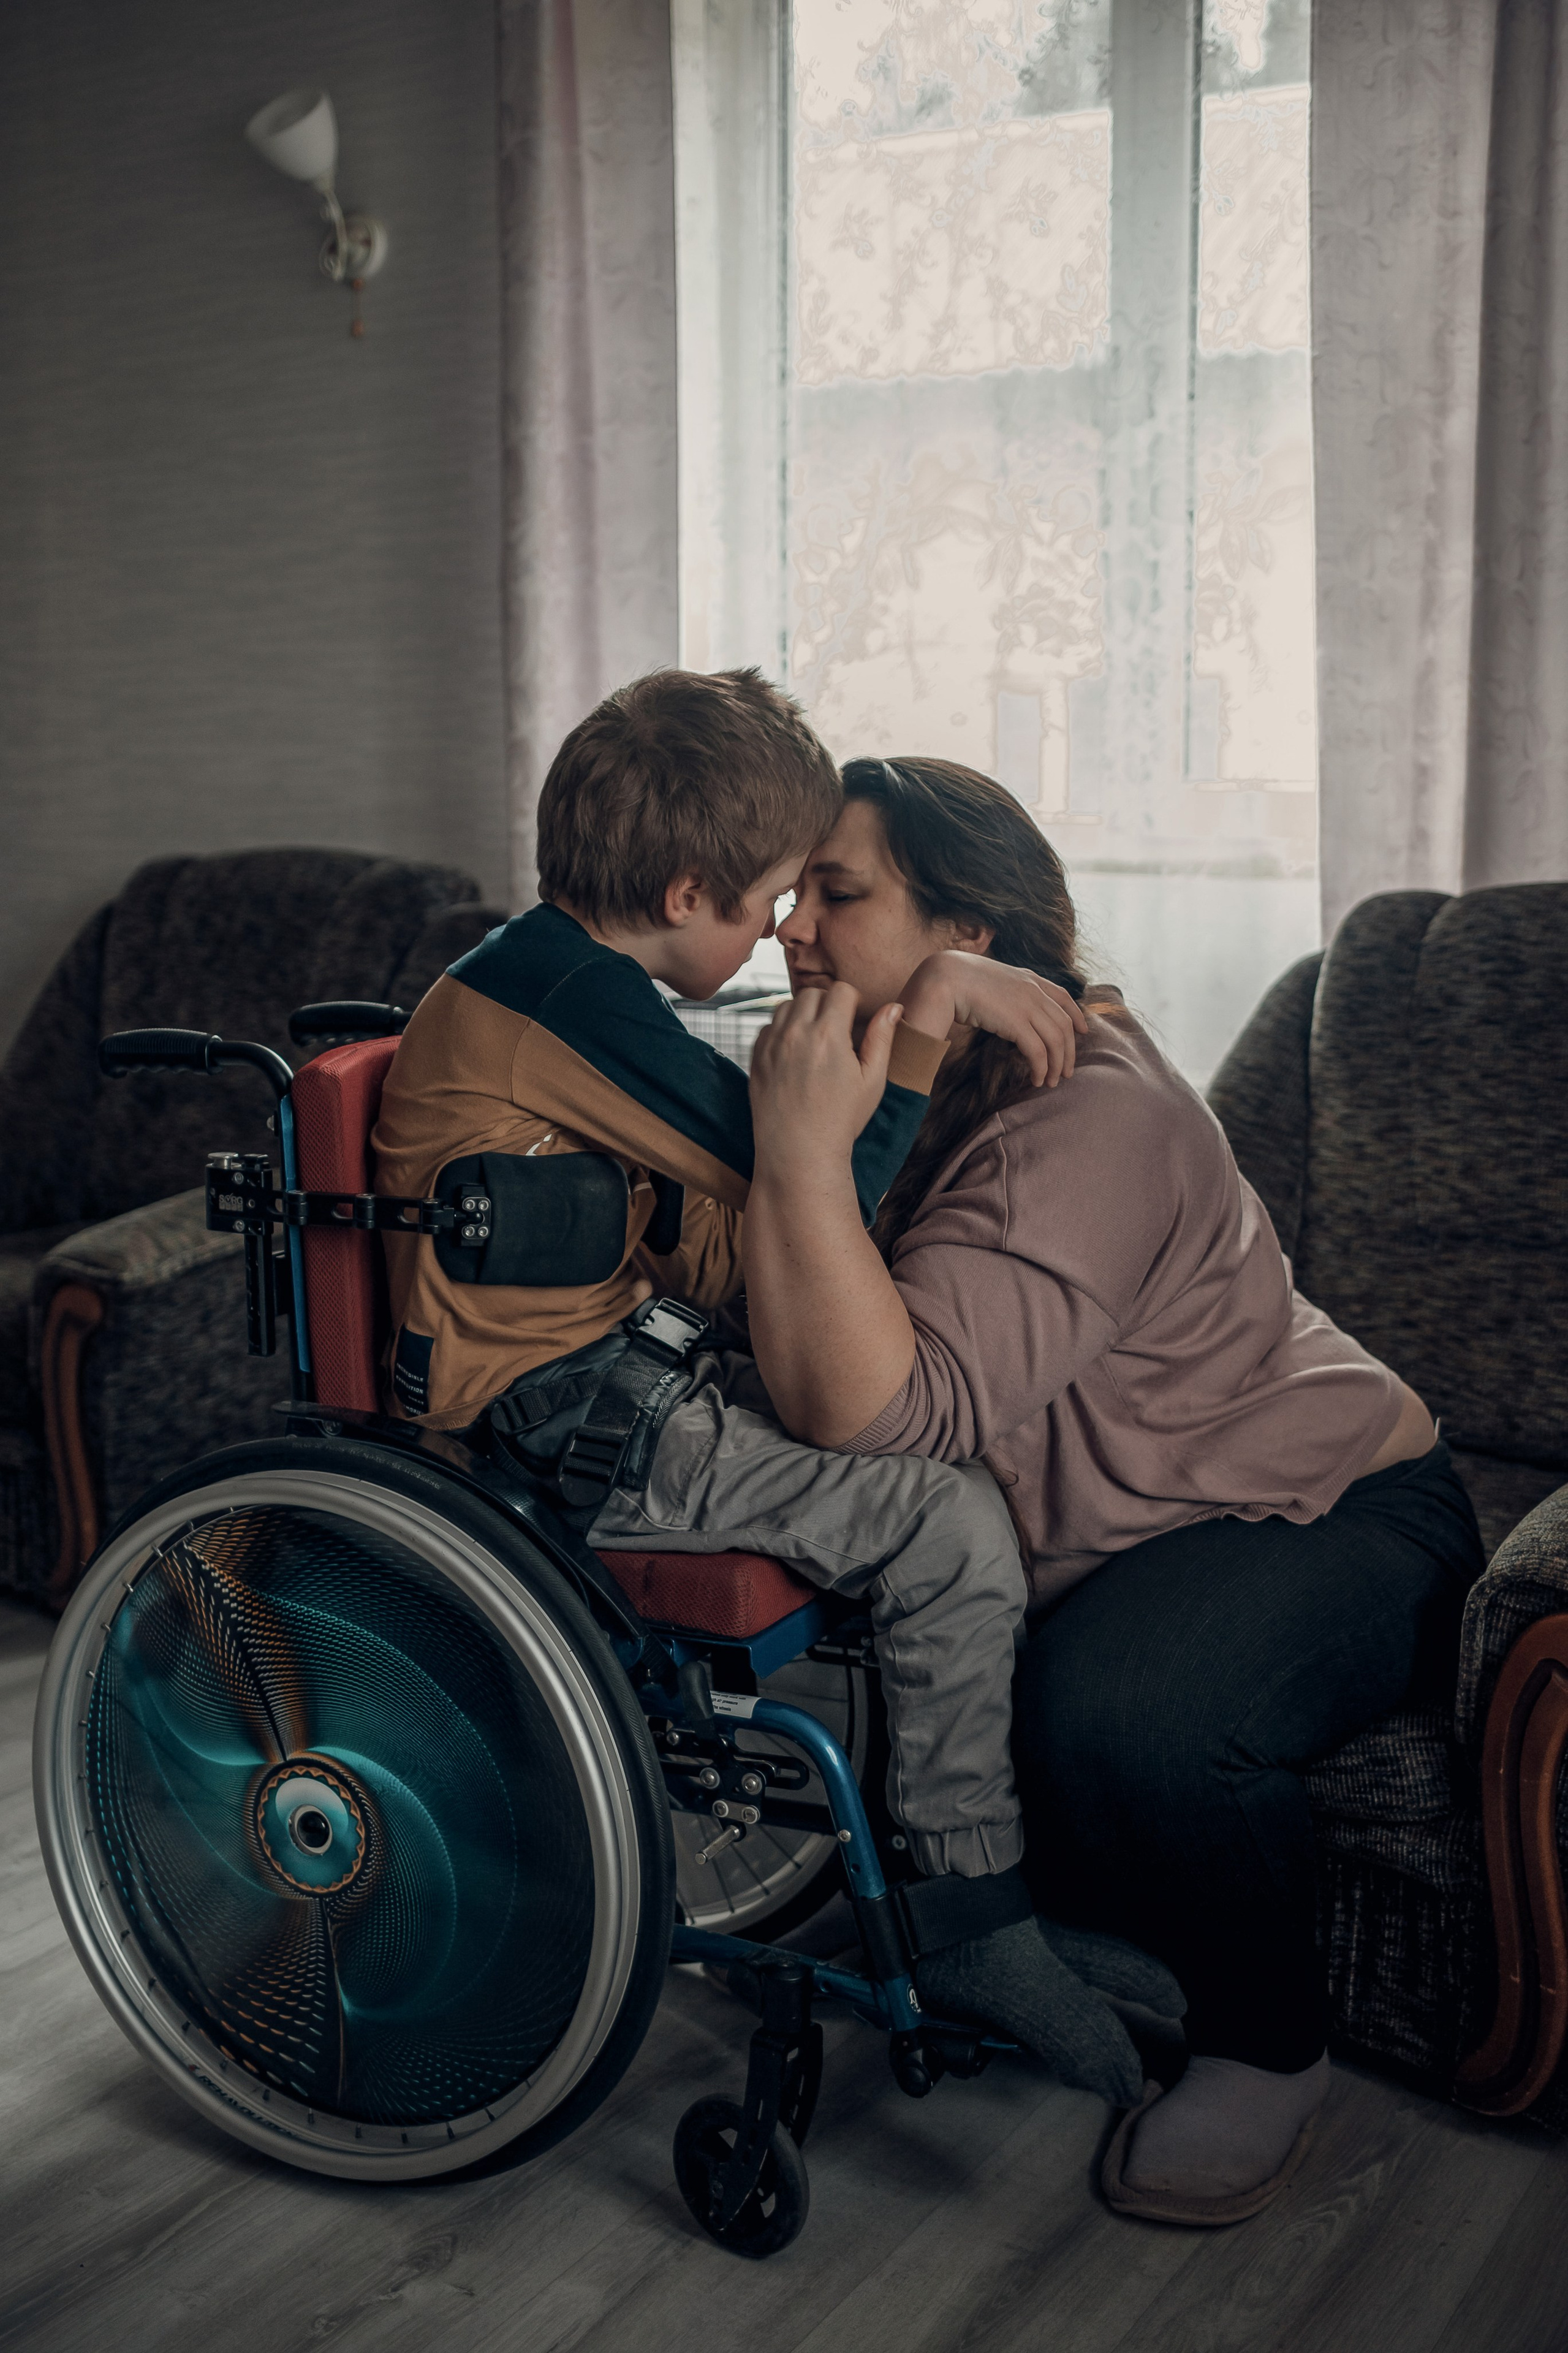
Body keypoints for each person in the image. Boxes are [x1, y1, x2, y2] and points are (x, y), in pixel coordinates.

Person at [373, 669, 1180, 2095]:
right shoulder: (565, 1002)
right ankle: (972, 1920)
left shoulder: (547, 977)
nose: (779, 935)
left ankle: (977, 1898)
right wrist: (929, 1006)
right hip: (563, 1427)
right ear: (687, 894)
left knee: (950, 1459)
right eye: (765, 901)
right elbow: (823, 1189)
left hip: (615, 1374)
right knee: (946, 1525)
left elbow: (735, 1223)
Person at [743, 754, 1485, 2226]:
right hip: (1147, 1523)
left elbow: (886, 1413)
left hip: (1330, 1508)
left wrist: (789, 1153)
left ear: (972, 929)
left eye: (838, 894)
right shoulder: (907, 1069)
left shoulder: (1079, 1116)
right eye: (789, 898)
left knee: (1113, 1709)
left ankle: (1269, 2049)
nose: (792, 933)